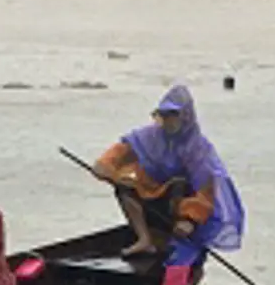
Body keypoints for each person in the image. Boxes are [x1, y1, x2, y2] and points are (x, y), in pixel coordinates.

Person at [92, 83, 246, 270]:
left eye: (173, 116)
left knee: (179, 185)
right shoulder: (151, 136)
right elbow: (123, 150)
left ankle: (178, 234)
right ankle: (144, 239)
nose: (168, 121)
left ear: (186, 116)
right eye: (164, 116)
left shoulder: (198, 149)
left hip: (185, 202)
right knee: (125, 185)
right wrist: (105, 165)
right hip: (154, 196)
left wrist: (189, 219)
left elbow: (206, 189)